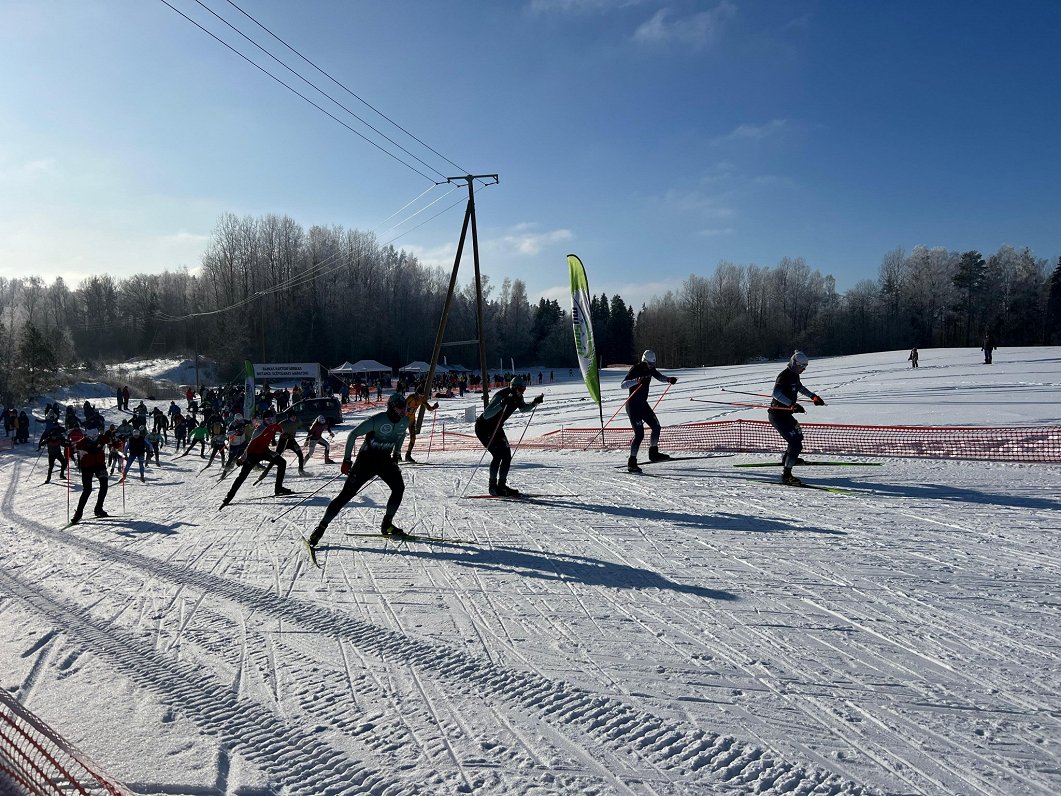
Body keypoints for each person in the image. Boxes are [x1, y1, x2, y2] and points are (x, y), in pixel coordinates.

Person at [305, 393, 410, 550]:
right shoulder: (378, 419)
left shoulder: (405, 421)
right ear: (391, 408)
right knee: (345, 496)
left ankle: (387, 525)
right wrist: (347, 460)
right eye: (400, 408)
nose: (404, 411)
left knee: (399, 488)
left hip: (384, 460)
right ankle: (320, 529)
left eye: (405, 408)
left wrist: (396, 454)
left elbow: (401, 435)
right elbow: (353, 434)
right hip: (365, 462)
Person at [474, 376, 543, 496]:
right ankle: (492, 486)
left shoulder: (518, 397)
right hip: (484, 428)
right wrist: (502, 403)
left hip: (497, 427)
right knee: (497, 454)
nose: (522, 392)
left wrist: (534, 403)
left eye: (524, 390)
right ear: (514, 387)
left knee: (506, 455)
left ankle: (501, 485)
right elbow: (487, 414)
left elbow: (523, 409)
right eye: (521, 390)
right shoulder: (502, 395)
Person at [768, 350, 826, 486]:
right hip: (777, 415)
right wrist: (792, 404)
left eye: (804, 367)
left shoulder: (795, 376)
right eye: (801, 367)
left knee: (798, 437)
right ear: (794, 363)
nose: (803, 370)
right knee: (796, 443)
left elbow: (800, 388)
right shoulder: (784, 376)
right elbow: (776, 393)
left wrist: (813, 396)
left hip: (786, 414)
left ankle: (788, 458)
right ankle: (787, 474)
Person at [620, 350, 677, 473]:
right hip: (633, 406)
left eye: (653, 364)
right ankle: (632, 462)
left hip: (643, 405)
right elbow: (623, 385)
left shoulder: (651, 369)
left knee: (656, 427)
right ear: (644, 361)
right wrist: (636, 381)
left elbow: (659, 376)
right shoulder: (635, 369)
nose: (652, 366)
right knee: (639, 434)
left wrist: (669, 379)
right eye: (650, 364)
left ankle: (654, 453)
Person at [220, 416, 291, 508]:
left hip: (265, 451)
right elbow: (249, 446)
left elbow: (279, 428)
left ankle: (278, 488)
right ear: (264, 420)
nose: (270, 421)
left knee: (282, 462)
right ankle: (229, 497)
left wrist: (284, 433)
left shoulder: (273, 426)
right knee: (242, 476)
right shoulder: (259, 430)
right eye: (268, 419)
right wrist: (242, 458)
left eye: (272, 418)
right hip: (253, 455)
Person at [69, 426, 112, 523]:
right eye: (90, 438)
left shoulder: (102, 438)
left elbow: (111, 442)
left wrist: (116, 441)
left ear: (98, 435)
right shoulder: (82, 442)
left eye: (95, 437)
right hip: (87, 466)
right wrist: (69, 446)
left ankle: (98, 508)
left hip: (100, 465)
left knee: (104, 484)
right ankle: (79, 513)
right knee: (87, 489)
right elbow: (72, 448)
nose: (93, 439)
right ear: (87, 436)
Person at [402, 389, 439, 463]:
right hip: (403, 419)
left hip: (411, 420)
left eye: (422, 396)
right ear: (416, 394)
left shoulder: (421, 400)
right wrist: (406, 410)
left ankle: (408, 455)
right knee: (400, 436)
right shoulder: (410, 397)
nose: (420, 397)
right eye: (419, 395)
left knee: (413, 438)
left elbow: (428, 408)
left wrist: (434, 407)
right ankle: (396, 454)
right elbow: (403, 406)